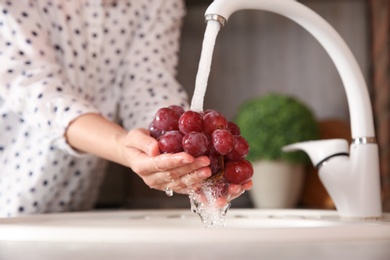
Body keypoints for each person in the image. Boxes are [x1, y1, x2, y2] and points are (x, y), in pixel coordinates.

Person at [0, 0, 252, 218]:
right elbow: (37, 91)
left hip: (74, 207)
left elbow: (148, 84)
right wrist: (124, 146)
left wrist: (171, 151)